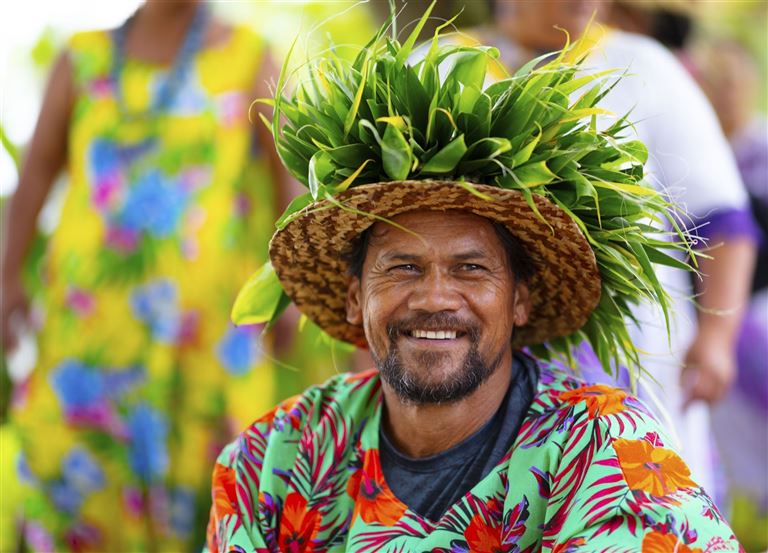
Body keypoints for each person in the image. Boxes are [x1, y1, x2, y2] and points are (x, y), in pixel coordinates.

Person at [206, 13, 741, 550]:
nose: (435, 297)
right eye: (403, 267)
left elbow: (724, 219)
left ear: (520, 298)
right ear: (353, 297)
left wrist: (716, 338)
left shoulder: (605, 455)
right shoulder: (273, 463)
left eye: (470, 268)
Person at [0, 1, 292, 550]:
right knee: (78, 501)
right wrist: (7, 278)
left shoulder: (251, 58)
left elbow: (290, 188)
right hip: (88, 342)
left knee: (212, 505)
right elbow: (36, 172)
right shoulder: (81, 60)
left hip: (202, 346)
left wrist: (291, 293)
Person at [478, 0, 758, 495]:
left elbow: (720, 216)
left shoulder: (643, 65)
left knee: (633, 505)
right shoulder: (443, 67)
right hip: (478, 367)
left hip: (634, 365)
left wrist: (717, 336)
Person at [696, 39, 768, 549]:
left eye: (733, 82)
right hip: (715, 314)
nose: (727, 93)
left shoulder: (762, 148)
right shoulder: (698, 150)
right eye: (716, 84)